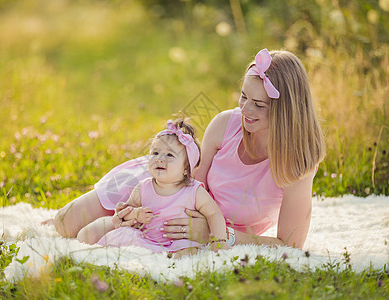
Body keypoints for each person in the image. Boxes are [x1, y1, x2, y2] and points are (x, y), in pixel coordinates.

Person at [50, 48, 325, 250]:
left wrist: (216, 233)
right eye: (243, 96)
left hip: (199, 226)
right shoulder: (225, 124)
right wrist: (136, 211)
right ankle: (46, 226)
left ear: (285, 110)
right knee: (64, 224)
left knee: (86, 233)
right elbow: (190, 182)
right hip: (163, 185)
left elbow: (289, 244)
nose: (245, 109)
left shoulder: (298, 162)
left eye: (259, 104)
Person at [91, 119, 229, 257]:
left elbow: (214, 214)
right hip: (147, 240)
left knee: (190, 251)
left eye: (169, 155)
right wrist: (135, 213)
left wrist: (219, 241)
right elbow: (126, 213)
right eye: (155, 153)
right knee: (124, 235)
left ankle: (173, 258)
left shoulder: (194, 191)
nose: (159, 159)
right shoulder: (143, 188)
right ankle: (146, 255)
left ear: (186, 169)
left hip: (180, 242)